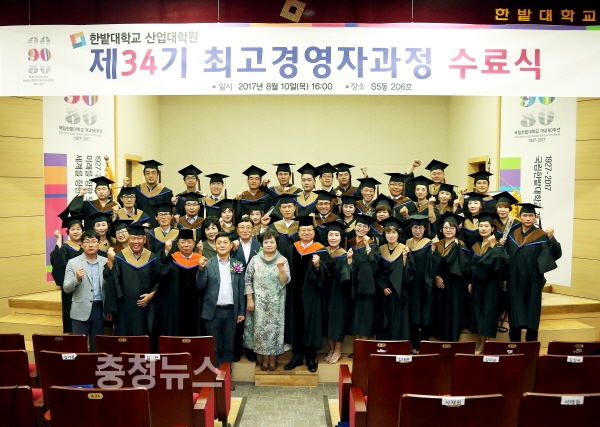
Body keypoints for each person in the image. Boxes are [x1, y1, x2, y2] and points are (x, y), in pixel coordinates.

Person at [505, 203, 561, 342]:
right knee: (515, 313)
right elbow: (505, 258)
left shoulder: (541, 236)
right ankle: (515, 344)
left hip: (533, 281)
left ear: (535, 217)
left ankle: (531, 345)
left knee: (532, 313)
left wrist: (551, 238)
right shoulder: (512, 235)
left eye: (531, 215)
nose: (528, 218)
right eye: (525, 215)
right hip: (514, 280)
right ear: (520, 217)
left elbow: (555, 254)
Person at [283, 216, 332, 373]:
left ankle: (311, 357)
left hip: (313, 295)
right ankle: (297, 356)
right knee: (296, 323)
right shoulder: (291, 249)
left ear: (314, 232)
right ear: (298, 232)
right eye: (303, 230)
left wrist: (318, 266)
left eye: (309, 230)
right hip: (294, 294)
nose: (306, 232)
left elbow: (329, 273)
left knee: (312, 324)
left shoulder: (321, 250)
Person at [103, 225, 164, 339]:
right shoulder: (120, 257)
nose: (136, 241)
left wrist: (151, 295)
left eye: (139, 238)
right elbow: (111, 279)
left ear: (144, 240)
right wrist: (110, 261)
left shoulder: (152, 257)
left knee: (145, 338)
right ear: (128, 239)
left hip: (146, 307)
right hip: (125, 307)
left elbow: (158, 280)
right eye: (133, 238)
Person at [196, 232, 246, 367]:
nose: (222, 245)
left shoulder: (237, 264)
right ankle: (215, 374)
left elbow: (241, 289)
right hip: (212, 312)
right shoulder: (208, 263)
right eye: (219, 243)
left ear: (231, 245)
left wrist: (241, 311)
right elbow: (200, 285)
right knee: (213, 346)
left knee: (229, 346)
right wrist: (201, 269)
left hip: (231, 311)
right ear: (215, 246)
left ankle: (227, 375)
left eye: (225, 242)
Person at [243, 229, 291, 371]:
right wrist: (250, 299)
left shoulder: (283, 260)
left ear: (276, 244)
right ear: (262, 244)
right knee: (260, 331)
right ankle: (264, 358)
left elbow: (285, 281)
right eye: (266, 242)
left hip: (277, 303)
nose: (269, 244)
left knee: (275, 331)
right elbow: (247, 280)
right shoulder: (255, 260)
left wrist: (281, 268)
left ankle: (273, 358)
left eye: (272, 242)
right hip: (259, 303)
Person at [63, 230, 110, 352]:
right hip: (80, 310)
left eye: (94, 241)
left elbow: (110, 288)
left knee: (97, 347)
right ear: (81, 244)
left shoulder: (106, 262)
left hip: (100, 310)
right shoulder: (73, 263)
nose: (90, 245)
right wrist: (77, 278)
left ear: (99, 243)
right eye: (87, 242)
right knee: (79, 347)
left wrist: (109, 309)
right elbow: (66, 288)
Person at [468, 212, 508, 354]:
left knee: (489, 314)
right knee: (478, 314)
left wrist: (493, 246)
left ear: (492, 228)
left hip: (492, 285)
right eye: (481, 226)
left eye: (486, 226)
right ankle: (481, 343)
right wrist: (470, 281)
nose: (483, 228)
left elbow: (501, 265)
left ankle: (490, 345)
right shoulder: (475, 245)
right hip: (478, 284)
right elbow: (470, 265)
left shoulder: (498, 245)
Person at [428, 212, 470, 342]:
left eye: (451, 228)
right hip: (439, 285)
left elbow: (463, 267)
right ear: (441, 229)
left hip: (455, 285)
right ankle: (438, 340)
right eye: (445, 227)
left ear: (457, 229)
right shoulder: (437, 244)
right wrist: (435, 276)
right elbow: (430, 264)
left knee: (453, 311)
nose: (448, 230)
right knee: (439, 310)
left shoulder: (461, 245)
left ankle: (451, 342)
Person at [160, 229, 205, 336]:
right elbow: (162, 273)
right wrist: (166, 251)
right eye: (183, 242)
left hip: (196, 302)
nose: (186, 245)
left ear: (194, 244)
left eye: (189, 242)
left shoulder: (200, 260)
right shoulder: (172, 259)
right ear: (177, 244)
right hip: (176, 302)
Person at [375, 217, 412, 341]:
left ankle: (399, 346)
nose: (391, 235)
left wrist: (405, 258)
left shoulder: (404, 249)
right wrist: (383, 287)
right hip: (384, 291)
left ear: (398, 234)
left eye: (394, 232)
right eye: (388, 233)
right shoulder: (380, 249)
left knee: (399, 319)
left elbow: (409, 272)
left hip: (400, 291)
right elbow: (377, 271)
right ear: (384, 235)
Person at [322, 221, 353, 365]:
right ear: (327, 237)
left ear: (341, 238)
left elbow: (348, 277)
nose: (333, 238)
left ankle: (338, 350)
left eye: (336, 235)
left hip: (340, 293)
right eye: (331, 235)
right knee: (327, 320)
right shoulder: (322, 252)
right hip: (324, 291)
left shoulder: (344, 255)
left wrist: (349, 262)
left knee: (337, 321)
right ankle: (331, 349)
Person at [231, 216, 262, 362]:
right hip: (236, 287)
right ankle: (237, 350)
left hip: (255, 288)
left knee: (252, 320)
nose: (245, 230)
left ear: (253, 229)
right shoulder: (232, 245)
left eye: (248, 227)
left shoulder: (259, 245)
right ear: (237, 230)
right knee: (238, 320)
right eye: (242, 227)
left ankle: (250, 350)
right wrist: (232, 250)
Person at [347, 214, 381, 341]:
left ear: (368, 229)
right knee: (355, 317)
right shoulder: (349, 243)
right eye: (359, 226)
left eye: (364, 227)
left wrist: (367, 247)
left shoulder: (372, 245)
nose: (361, 229)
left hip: (367, 287)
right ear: (355, 227)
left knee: (366, 317)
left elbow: (375, 265)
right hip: (353, 286)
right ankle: (357, 346)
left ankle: (364, 346)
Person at [50, 210, 84, 334]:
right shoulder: (65, 248)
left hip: (87, 287)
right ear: (68, 232)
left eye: (78, 229)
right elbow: (57, 261)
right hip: (71, 288)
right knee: (71, 316)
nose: (76, 231)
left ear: (83, 231)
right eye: (72, 229)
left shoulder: (88, 246)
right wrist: (59, 239)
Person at [405, 214, 434, 353]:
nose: (417, 231)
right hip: (410, 284)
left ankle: (424, 344)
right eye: (415, 228)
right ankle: (414, 344)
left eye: (420, 228)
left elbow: (433, 263)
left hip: (425, 283)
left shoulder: (429, 243)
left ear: (424, 229)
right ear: (411, 229)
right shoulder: (407, 243)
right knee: (413, 314)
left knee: (425, 314)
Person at [121, 159, 173, 228]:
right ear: (144, 175)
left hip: (158, 228)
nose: (150, 176)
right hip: (139, 227)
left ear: (158, 174)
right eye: (147, 173)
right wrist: (125, 186)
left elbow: (169, 212)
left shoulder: (166, 192)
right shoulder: (137, 189)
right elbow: (123, 203)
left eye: (153, 173)